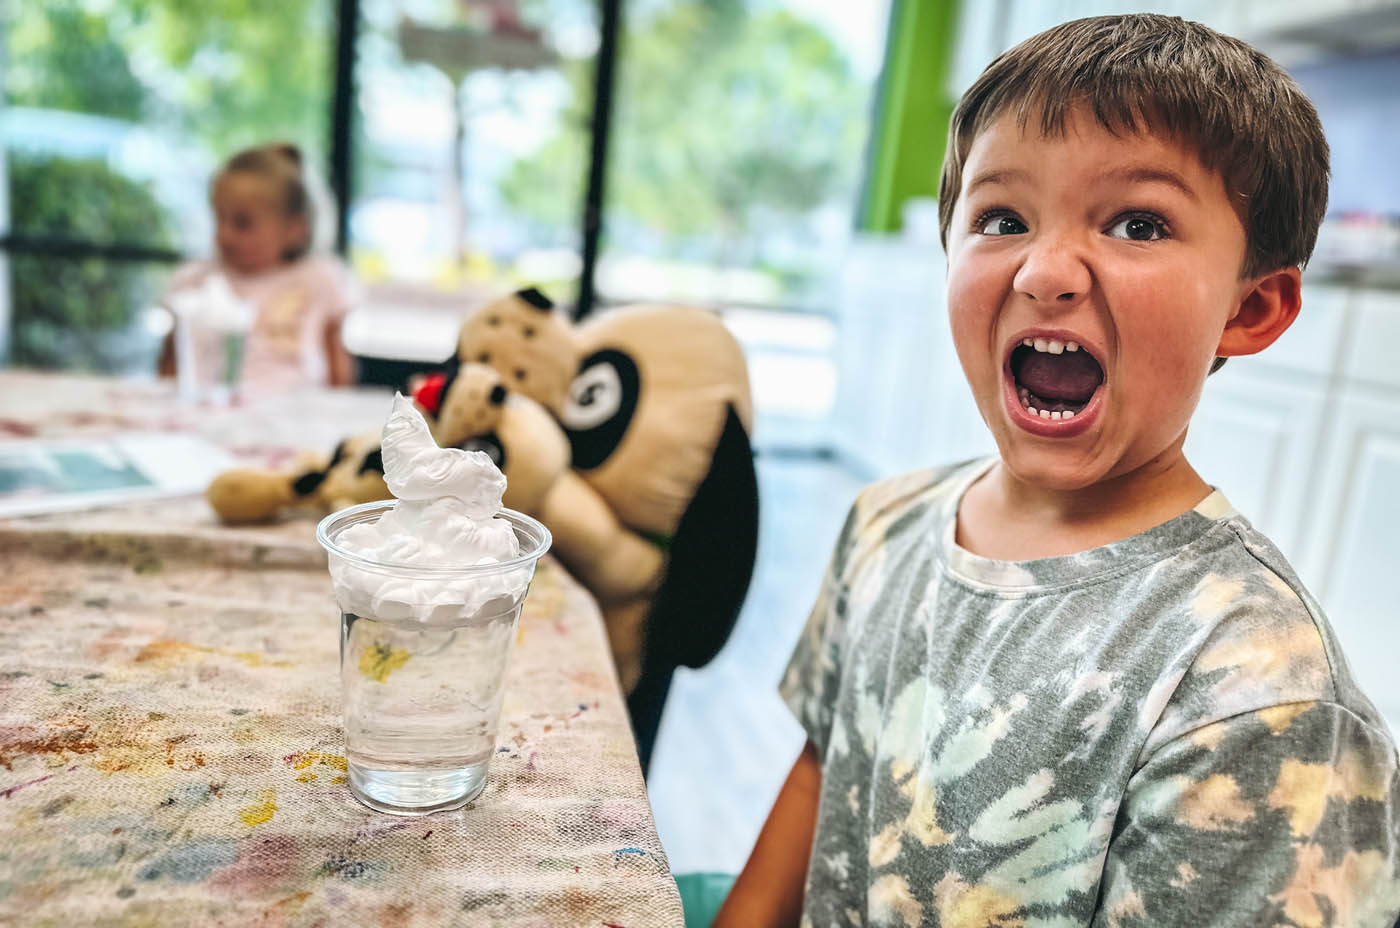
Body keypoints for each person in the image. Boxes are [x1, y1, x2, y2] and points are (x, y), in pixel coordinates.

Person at [716, 14, 1400, 927]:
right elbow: (822, 767)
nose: (1045, 271)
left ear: (1253, 307)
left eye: (1138, 223)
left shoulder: (1259, 695)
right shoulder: (884, 523)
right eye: (1002, 218)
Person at [158, 143, 357, 393]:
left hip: (296, 423)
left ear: (295, 229)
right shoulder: (195, 280)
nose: (224, 235)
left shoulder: (318, 279)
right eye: (219, 217)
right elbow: (171, 365)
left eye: (242, 223)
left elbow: (338, 368)